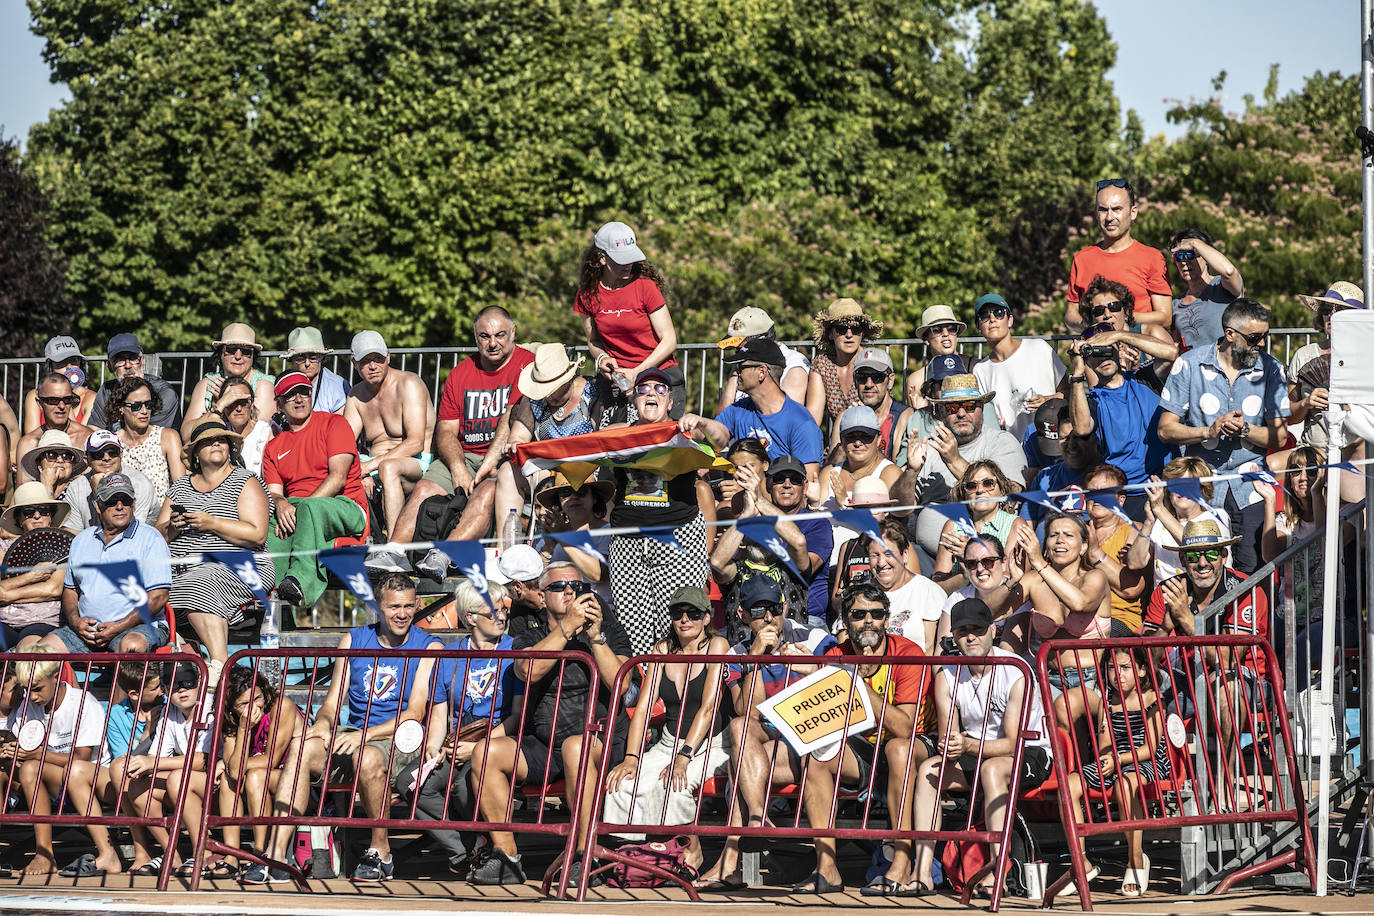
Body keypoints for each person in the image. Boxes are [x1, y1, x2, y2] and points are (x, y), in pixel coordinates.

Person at [248, 573, 442, 884]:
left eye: (408, 606)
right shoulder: (353, 639)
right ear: (378, 607)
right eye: (394, 607)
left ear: (418, 604)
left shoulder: (428, 645)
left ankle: (381, 852)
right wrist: (323, 725)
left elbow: (415, 712)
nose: (403, 614)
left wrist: (361, 736)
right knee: (301, 746)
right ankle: (276, 854)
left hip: (398, 740)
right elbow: (331, 702)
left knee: (365, 756)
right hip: (355, 735)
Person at [468, 563, 632, 888]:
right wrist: (566, 631)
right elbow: (528, 671)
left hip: (599, 741)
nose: (570, 590)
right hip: (544, 745)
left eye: (576, 584)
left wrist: (595, 637)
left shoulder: (608, 628)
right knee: (487, 752)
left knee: (576, 746)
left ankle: (585, 855)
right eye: (559, 587)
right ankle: (506, 856)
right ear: (542, 597)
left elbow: (622, 684)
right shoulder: (529, 634)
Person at [694, 576, 838, 891]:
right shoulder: (736, 655)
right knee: (738, 729)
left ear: (784, 607)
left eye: (774, 608)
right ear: (743, 615)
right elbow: (749, 712)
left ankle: (731, 860)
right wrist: (757, 660)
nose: (769, 618)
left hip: (814, 745)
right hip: (769, 748)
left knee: (739, 763)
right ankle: (757, 821)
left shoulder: (812, 638)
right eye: (759, 610)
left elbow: (841, 683)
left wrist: (812, 668)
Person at [907, 597, 1052, 898]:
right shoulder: (946, 675)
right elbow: (949, 734)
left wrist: (968, 744)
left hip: (1029, 751)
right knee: (928, 770)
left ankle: (997, 870)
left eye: (977, 629)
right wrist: (951, 746)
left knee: (992, 768)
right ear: (954, 637)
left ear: (992, 631)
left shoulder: (1015, 671)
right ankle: (922, 871)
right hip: (977, 753)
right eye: (962, 631)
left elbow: (1014, 743)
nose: (970, 636)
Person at [395, 580, 521, 875]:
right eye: (492, 612)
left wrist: (478, 748)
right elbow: (439, 714)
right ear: (470, 618)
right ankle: (463, 849)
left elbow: (516, 716)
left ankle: (480, 841)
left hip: (496, 738)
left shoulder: (515, 649)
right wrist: (434, 747)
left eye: (503, 610)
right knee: (410, 782)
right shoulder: (450, 657)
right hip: (458, 738)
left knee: (466, 790)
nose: (501, 616)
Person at [602, 586, 731, 873]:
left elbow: (708, 708)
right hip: (669, 742)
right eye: (678, 613)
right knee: (620, 784)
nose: (685, 619)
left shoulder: (717, 646)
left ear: (707, 618)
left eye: (693, 614)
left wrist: (683, 757)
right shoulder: (662, 649)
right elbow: (645, 706)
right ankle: (635, 856)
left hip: (713, 743)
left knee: (675, 784)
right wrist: (631, 758)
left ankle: (692, 852)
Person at [1158, 298, 1290, 573]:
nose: (1262, 344)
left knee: (1252, 570)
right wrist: (1208, 431)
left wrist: (1246, 430)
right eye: (1254, 338)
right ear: (1230, 334)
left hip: (1250, 487)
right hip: (1200, 486)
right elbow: (1165, 429)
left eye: (1266, 336)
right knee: (1201, 568)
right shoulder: (1189, 364)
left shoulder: (1271, 368)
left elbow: (1280, 437)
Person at [821, 582, 934, 897]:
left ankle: (900, 859)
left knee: (898, 748)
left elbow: (906, 728)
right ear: (846, 621)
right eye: (859, 614)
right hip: (863, 746)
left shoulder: (909, 653)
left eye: (876, 614)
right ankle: (825, 867)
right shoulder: (835, 655)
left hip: (917, 744)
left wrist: (861, 687)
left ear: (887, 619)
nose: (868, 621)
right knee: (816, 756)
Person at [388, 307, 535, 550]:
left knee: (487, 491)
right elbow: (445, 431)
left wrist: (488, 464)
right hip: (463, 456)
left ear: (513, 332)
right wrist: (457, 468)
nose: (492, 343)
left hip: (505, 458)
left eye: (500, 335)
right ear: (475, 337)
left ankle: (444, 555)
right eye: (484, 336)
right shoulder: (460, 373)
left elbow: (510, 417)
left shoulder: (526, 364)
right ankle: (392, 552)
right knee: (424, 487)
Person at [158, 414, 275, 686]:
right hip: (182, 567)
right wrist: (173, 526)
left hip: (241, 563)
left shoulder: (245, 480)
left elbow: (256, 534)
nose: (216, 444)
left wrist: (212, 523)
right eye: (208, 441)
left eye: (221, 440)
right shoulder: (180, 487)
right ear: (196, 452)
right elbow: (159, 535)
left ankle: (219, 664)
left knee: (200, 580)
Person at [607, 368, 712, 656]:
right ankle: (644, 693)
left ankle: (676, 691)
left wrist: (699, 421)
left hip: (677, 538)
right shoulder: (620, 435)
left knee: (680, 623)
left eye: (660, 389)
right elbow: (575, 447)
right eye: (643, 389)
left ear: (670, 402)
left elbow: (721, 437)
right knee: (633, 629)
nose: (651, 393)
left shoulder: (684, 431)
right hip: (627, 542)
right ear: (635, 402)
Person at [4, 647, 121, 876]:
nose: (33, 696)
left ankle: (107, 852)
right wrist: (11, 750)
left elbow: (81, 759)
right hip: (59, 782)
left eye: (38, 689)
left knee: (71, 769)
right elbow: (26, 751)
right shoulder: (29, 705)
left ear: (56, 676)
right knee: (28, 768)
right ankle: (44, 854)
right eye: (27, 689)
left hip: (96, 779)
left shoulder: (83, 702)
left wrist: (37, 754)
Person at [1066, 646, 1171, 897]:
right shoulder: (1106, 700)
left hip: (1147, 761)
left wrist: (1117, 759)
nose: (1118, 674)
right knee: (1069, 783)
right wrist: (1105, 760)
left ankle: (1135, 859)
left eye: (1125, 667)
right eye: (1113, 668)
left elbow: (1150, 748)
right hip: (1115, 760)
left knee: (1124, 784)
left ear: (1142, 670)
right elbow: (1103, 745)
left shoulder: (1153, 699)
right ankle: (1081, 864)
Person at [261, 371, 369, 608]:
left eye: (304, 392)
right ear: (279, 404)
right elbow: (275, 492)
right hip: (303, 510)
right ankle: (271, 588)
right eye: (291, 396)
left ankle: (301, 582)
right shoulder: (274, 446)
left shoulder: (334, 423)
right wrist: (280, 504)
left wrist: (296, 508)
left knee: (308, 508)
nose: (299, 399)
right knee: (268, 521)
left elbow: (338, 479)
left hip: (346, 506)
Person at [40, 472, 169, 656]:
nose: (119, 506)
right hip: (86, 631)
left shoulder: (151, 538)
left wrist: (118, 627)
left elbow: (158, 597)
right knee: (38, 652)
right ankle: (70, 685)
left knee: (131, 647)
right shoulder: (82, 539)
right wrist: (76, 622)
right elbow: (70, 590)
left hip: (138, 627)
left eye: (125, 500)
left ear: (133, 504)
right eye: (111, 501)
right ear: (98, 506)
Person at [1007, 514, 1110, 740]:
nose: (1059, 540)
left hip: (1092, 682)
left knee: (1066, 705)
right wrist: (1013, 580)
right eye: (1053, 535)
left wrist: (1040, 564)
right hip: (1049, 677)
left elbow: (1080, 602)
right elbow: (994, 611)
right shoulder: (1034, 579)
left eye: (1068, 535)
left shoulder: (1095, 577)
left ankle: (1079, 773)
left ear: (1084, 546)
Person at [909, 373, 1026, 557]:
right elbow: (902, 509)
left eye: (970, 406)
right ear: (941, 412)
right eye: (953, 407)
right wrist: (910, 471)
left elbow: (1010, 494)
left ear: (982, 408)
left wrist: (954, 460)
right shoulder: (931, 447)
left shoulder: (1002, 442)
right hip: (926, 555)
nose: (961, 413)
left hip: (985, 555)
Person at [576, 221, 684, 416]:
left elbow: (669, 340)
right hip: (617, 383)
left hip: (659, 376)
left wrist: (638, 373)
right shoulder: (587, 295)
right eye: (620, 259)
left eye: (631, 258)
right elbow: (593, 341)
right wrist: (602, 357)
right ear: (602, 259)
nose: (628, 265)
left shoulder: (646, 287)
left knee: (661, 444)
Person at [684, 337, 824, 481]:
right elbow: (720, 438)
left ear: (761, 372)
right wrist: (702, 423)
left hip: (778, 501)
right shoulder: (739, 409)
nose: (736, 373)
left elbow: (807, 484)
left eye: (741, 367)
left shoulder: (801, 423)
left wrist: (751, 492)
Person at [344, 330, 437, 537]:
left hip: (414, 462)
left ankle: (395, 548)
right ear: (354, 364)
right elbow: (344, 444)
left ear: (388, 356)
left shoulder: (409, 384)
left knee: (388, 467)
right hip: (373, 463)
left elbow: (415, 443)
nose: (373, 366)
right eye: (365, 361)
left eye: (377, 358)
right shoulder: (356, 395)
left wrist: (369, 467)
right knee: (337, 469)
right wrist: (361, 471)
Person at [216, 664, 306, 876]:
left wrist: (232, 763)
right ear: (231, 707)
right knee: (229, 779)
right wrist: (243, 729)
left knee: (255, 775)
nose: (253, 708)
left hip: (297, 785)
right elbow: (234, 772)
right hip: (259, 782)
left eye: (257, 698)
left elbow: (270, 761)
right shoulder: (231, 719)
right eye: (244, 704)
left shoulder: (280, 706)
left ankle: (260, 853)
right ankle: (232, 855)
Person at [709, 458, 817, 628]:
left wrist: (758, 499)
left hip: (790, 650)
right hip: (744, 652)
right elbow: (716, 563)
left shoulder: (791, 568)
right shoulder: (736, 571)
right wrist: (746, 515)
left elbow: (798, 541)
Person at [1066, 316, 1172, 489]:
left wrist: (1120, 335)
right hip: (1124, 489)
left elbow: (1171, 353)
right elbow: (1082, 428)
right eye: (1095, 352)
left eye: (1108, 349)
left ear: (1120, 348)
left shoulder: (1145, 377)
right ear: (1087, 361)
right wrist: (1077, 373)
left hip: (1163, 482)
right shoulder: (1093, 400)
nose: (1103, 358)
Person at [1065, 179, 1172, 341]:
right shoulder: (1082, 259)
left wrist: (1119, 319)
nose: (1109, 217)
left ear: (1133, 212)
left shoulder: (1152, 257)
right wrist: (1096, 325)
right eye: (1102, 210)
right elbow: (1070, 315)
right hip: (1098, 356)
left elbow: (1165, 317)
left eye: (1116, 209)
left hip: (1141, 351)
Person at [970, 293, 1064, 440]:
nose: (992, 319)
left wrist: (1047, 400)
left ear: (1010, 320)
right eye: (984, 315)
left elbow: (1069, 392)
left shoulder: (1039, 347)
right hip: (1013, 452)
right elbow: (985, 418)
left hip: (1051, 443)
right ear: (978, 326)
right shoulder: (980, 370)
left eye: (999, 313)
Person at [932, 461, 1032, 594]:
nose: (980, 490)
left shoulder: (1016, 525)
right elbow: (937, 589)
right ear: (965, 494)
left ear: (1002, 491)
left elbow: (1014, 582)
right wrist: (965, 574)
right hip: (960, 604)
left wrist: (972, 556)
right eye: (972, 486)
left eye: (988, 483)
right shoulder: (953, 526)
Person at [1288, 281, 1363, 449]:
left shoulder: (1367, 356)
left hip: (1355, 451)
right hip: (1314, 452)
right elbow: (1290, 417)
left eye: (1341, 310)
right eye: (1326, 310)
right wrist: (1306, 403)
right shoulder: (1304, 355)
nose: (1332, 315)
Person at [1080, 464, 1152, 634]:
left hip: (1118, 620)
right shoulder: (1076, 531)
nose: (1097, 498)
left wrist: (1096, 555)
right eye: (1092, 493)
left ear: (1121, 500)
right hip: (1078, 615)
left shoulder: (1135, 531)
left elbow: (1131, 589)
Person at [0, 482, 70, 647]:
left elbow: (53, 589)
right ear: (18, 518)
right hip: (4, 620)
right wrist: (31, 576)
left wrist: (8, 595)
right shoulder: (3, 547)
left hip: (44, 621)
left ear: (51, 515)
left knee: (30, 651)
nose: (37, 516)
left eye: (44, 510)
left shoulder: (63, 545)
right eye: (29, 512)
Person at [865, 517, 946, 654]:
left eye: (888, 554)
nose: (881, 563)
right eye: (875, 555)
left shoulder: (928, 591)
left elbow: (931, 649)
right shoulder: (860, 594)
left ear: (905, 555)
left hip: (914, 672)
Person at [181, 323, 276, 439]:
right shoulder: (207, 384)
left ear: (253, 356)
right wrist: (216, 409)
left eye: (245, 351)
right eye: (231, 350)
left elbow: (262, 436)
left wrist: (229, 404)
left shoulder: (264, 386)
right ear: (220, 353)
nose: (238, 356)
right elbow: (186, 436)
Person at [1144, 456, 1231, 582]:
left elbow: (1197, 546)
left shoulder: (1217, 516)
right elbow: (1136, 563)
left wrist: (1159, 508)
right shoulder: (1159, 523)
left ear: (1202, 489)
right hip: (1164, 597)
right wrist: (1148, 523)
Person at [110, 375, 187, 508]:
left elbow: (180, 490)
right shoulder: (112, 442)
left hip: (162, 520)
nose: (144, 411)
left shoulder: (167, 437)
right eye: (136, 406)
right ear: (120, 408)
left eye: (149, 404)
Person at [806, 298, 882, 432]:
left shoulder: (873, 361)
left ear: (862, 333)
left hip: (872, 437)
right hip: (840, 440)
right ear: (830, 333)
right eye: (841, 329)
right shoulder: (822, 364)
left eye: (855, 329)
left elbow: (883, 414)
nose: (849, 334)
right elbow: (813, 419)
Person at [62, 430, 159, 530]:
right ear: (87, 460)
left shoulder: (139, 484)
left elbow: (129, 534)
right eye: (98, 454)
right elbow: (73, 533)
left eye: (112, 452)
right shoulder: (76, 487)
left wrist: (98, 495)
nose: (107, 458)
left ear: (121, 454)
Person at [715, 306, 810, 408]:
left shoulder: (794, 364)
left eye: (740, 346)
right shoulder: (743, 360)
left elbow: (789, 417)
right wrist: (734, 378)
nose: (739, 352)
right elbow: (722, 417)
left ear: (762, 339)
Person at [1167, 228, 1244, 354]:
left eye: (1190, 255)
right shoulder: (1176, 304)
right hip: (1192, 370)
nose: (1184, 262)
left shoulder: (1222, 286)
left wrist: (1195, 243)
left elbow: (1229, 272)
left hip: (1225, 368)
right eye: (1179, 256)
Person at [88, 332, 183, 431]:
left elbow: (148, 436)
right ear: (110, 366)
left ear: (142, 361)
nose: (128, 365)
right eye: (120, 360)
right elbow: (94, 429)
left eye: (133, 358)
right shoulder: (106, 390)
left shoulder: (163, 392)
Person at [818, 405, 904, 508]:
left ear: (878, 439)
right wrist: (813, 504)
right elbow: (816, 518)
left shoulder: (889, 473)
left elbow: (888, 521)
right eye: (851, 437)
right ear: (841, 440)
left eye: (866, 436)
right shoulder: (829, 473)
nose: (858, 443)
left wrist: (846, 503)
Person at [16, 374, 94, 479]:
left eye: (67, 400)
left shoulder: (86, 438)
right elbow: (23, 490)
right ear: (40, 403)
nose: (61, 406)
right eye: (53, 400)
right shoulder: (29, 443)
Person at [844, 347, 914, 460]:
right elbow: (833, 467)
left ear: (890, 381)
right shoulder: (847, 416)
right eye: (861, 377)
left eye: (877, 377)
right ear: (855, 381)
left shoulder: (903, 416)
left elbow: (898, 471)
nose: (869, 384)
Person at [21, 336, 98, 432]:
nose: (69, 367)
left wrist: (67, 396)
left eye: (73, 361)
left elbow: (81, 438)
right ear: (50, 367)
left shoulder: (91, 398)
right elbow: (31, 437)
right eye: (62, 362)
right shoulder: (35, 396)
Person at [904, 305, 966, 410]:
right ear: (926, 339)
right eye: (937, 330)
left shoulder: (973, 367)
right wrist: (921, 412)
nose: (946, 334)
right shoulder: (917, 380)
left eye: (951, 328)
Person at [212, 376, 273, 476]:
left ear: (252, 403)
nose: (239, 408)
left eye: (244, 402)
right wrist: (220, 405)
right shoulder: (219, 431)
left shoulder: (266, 431)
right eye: (232, 402)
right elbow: (198, 433)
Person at [282, 326, 348, 414]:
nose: (307, 363)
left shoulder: (337, 386)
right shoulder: (283, 386)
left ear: (322, 357)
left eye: (313, 357)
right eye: (300, 358)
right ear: (292, 360)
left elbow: (340, 424)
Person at [23, 428, 86, 503]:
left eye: (67, 456)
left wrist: (48, 487)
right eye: (52, 455)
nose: (60, 460)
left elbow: (53, 514)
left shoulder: (79, 491)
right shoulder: (29, 492)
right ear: (39, 464)